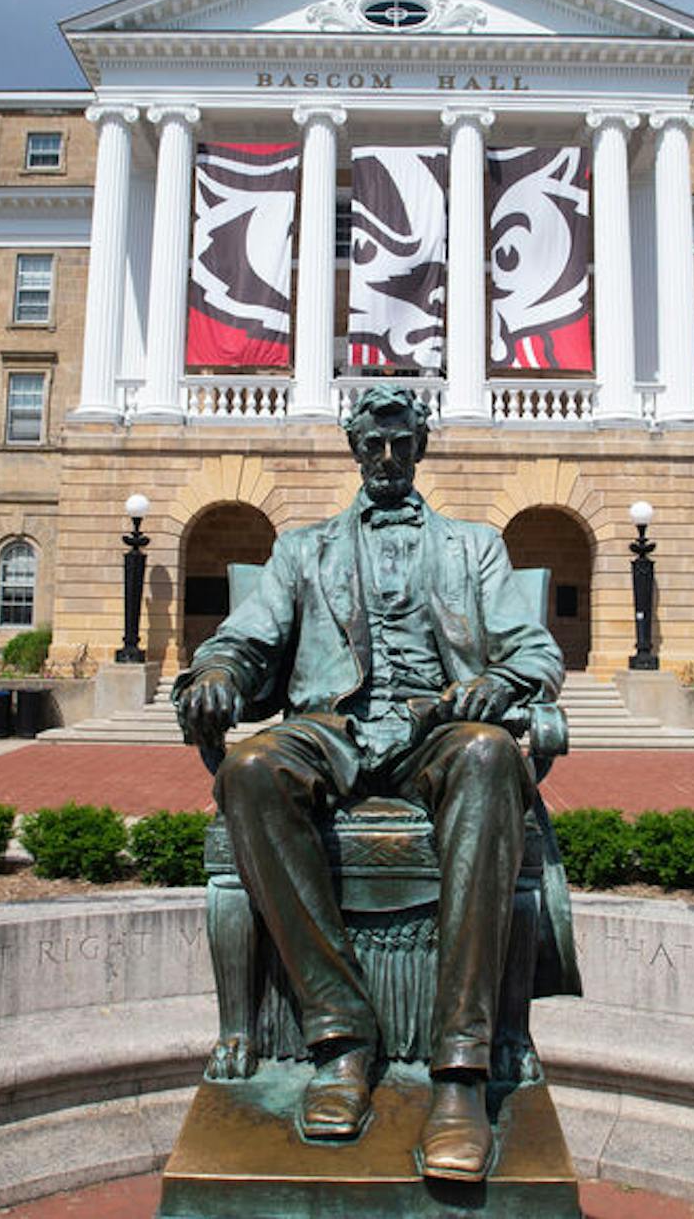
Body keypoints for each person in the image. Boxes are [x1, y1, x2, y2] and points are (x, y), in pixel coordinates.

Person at [173, 383, 565, 1181]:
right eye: (373, 445)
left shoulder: (473, 546)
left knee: (491, 753)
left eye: (400, 444)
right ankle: (340, 1035)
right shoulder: (303, 549)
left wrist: (501, 682)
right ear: (354, 447)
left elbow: (537, 652)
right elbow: (245, 644)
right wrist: (213, 673)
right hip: (335, 728)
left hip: (437, 728)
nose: (387, 458)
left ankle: (460, 1073)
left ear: (420, 447)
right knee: (250, 767)